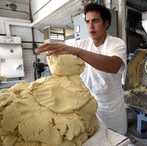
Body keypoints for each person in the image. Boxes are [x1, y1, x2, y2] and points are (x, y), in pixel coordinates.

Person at [36, 3, 127, 135]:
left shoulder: (116, 43)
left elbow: (113, 66)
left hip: (110, 108)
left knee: (114, 139)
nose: (90, 26)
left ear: (106, 24)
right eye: (87, 21)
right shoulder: (82, 43)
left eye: (95, 21)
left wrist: (78, 52)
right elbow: (65, 52)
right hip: (86, 106)